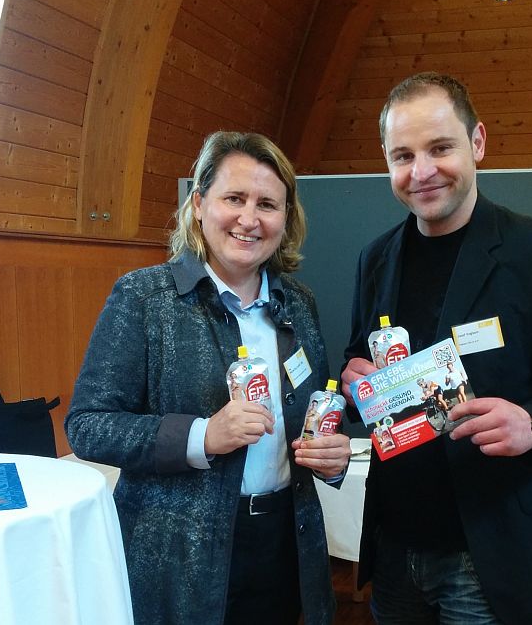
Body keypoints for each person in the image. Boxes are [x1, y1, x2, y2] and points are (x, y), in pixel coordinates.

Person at [340, 72, 532, 625]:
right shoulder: (376, 258)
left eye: (440, 148)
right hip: (396, 543)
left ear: (478, 142)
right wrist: (355, 384)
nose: (422, 171)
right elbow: (360, 363)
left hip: (495, 547)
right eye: (403, 156)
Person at [66, 131, 351, 625]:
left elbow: (314, 415)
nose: (249, 219)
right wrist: (202, 436)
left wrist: (332, 455)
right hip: (179, 557)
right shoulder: (144, 298)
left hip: (284, 544)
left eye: (267, 204)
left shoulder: (299, 304)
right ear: (199, 205)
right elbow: (88, 425)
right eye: (234, 198)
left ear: (286, 218)